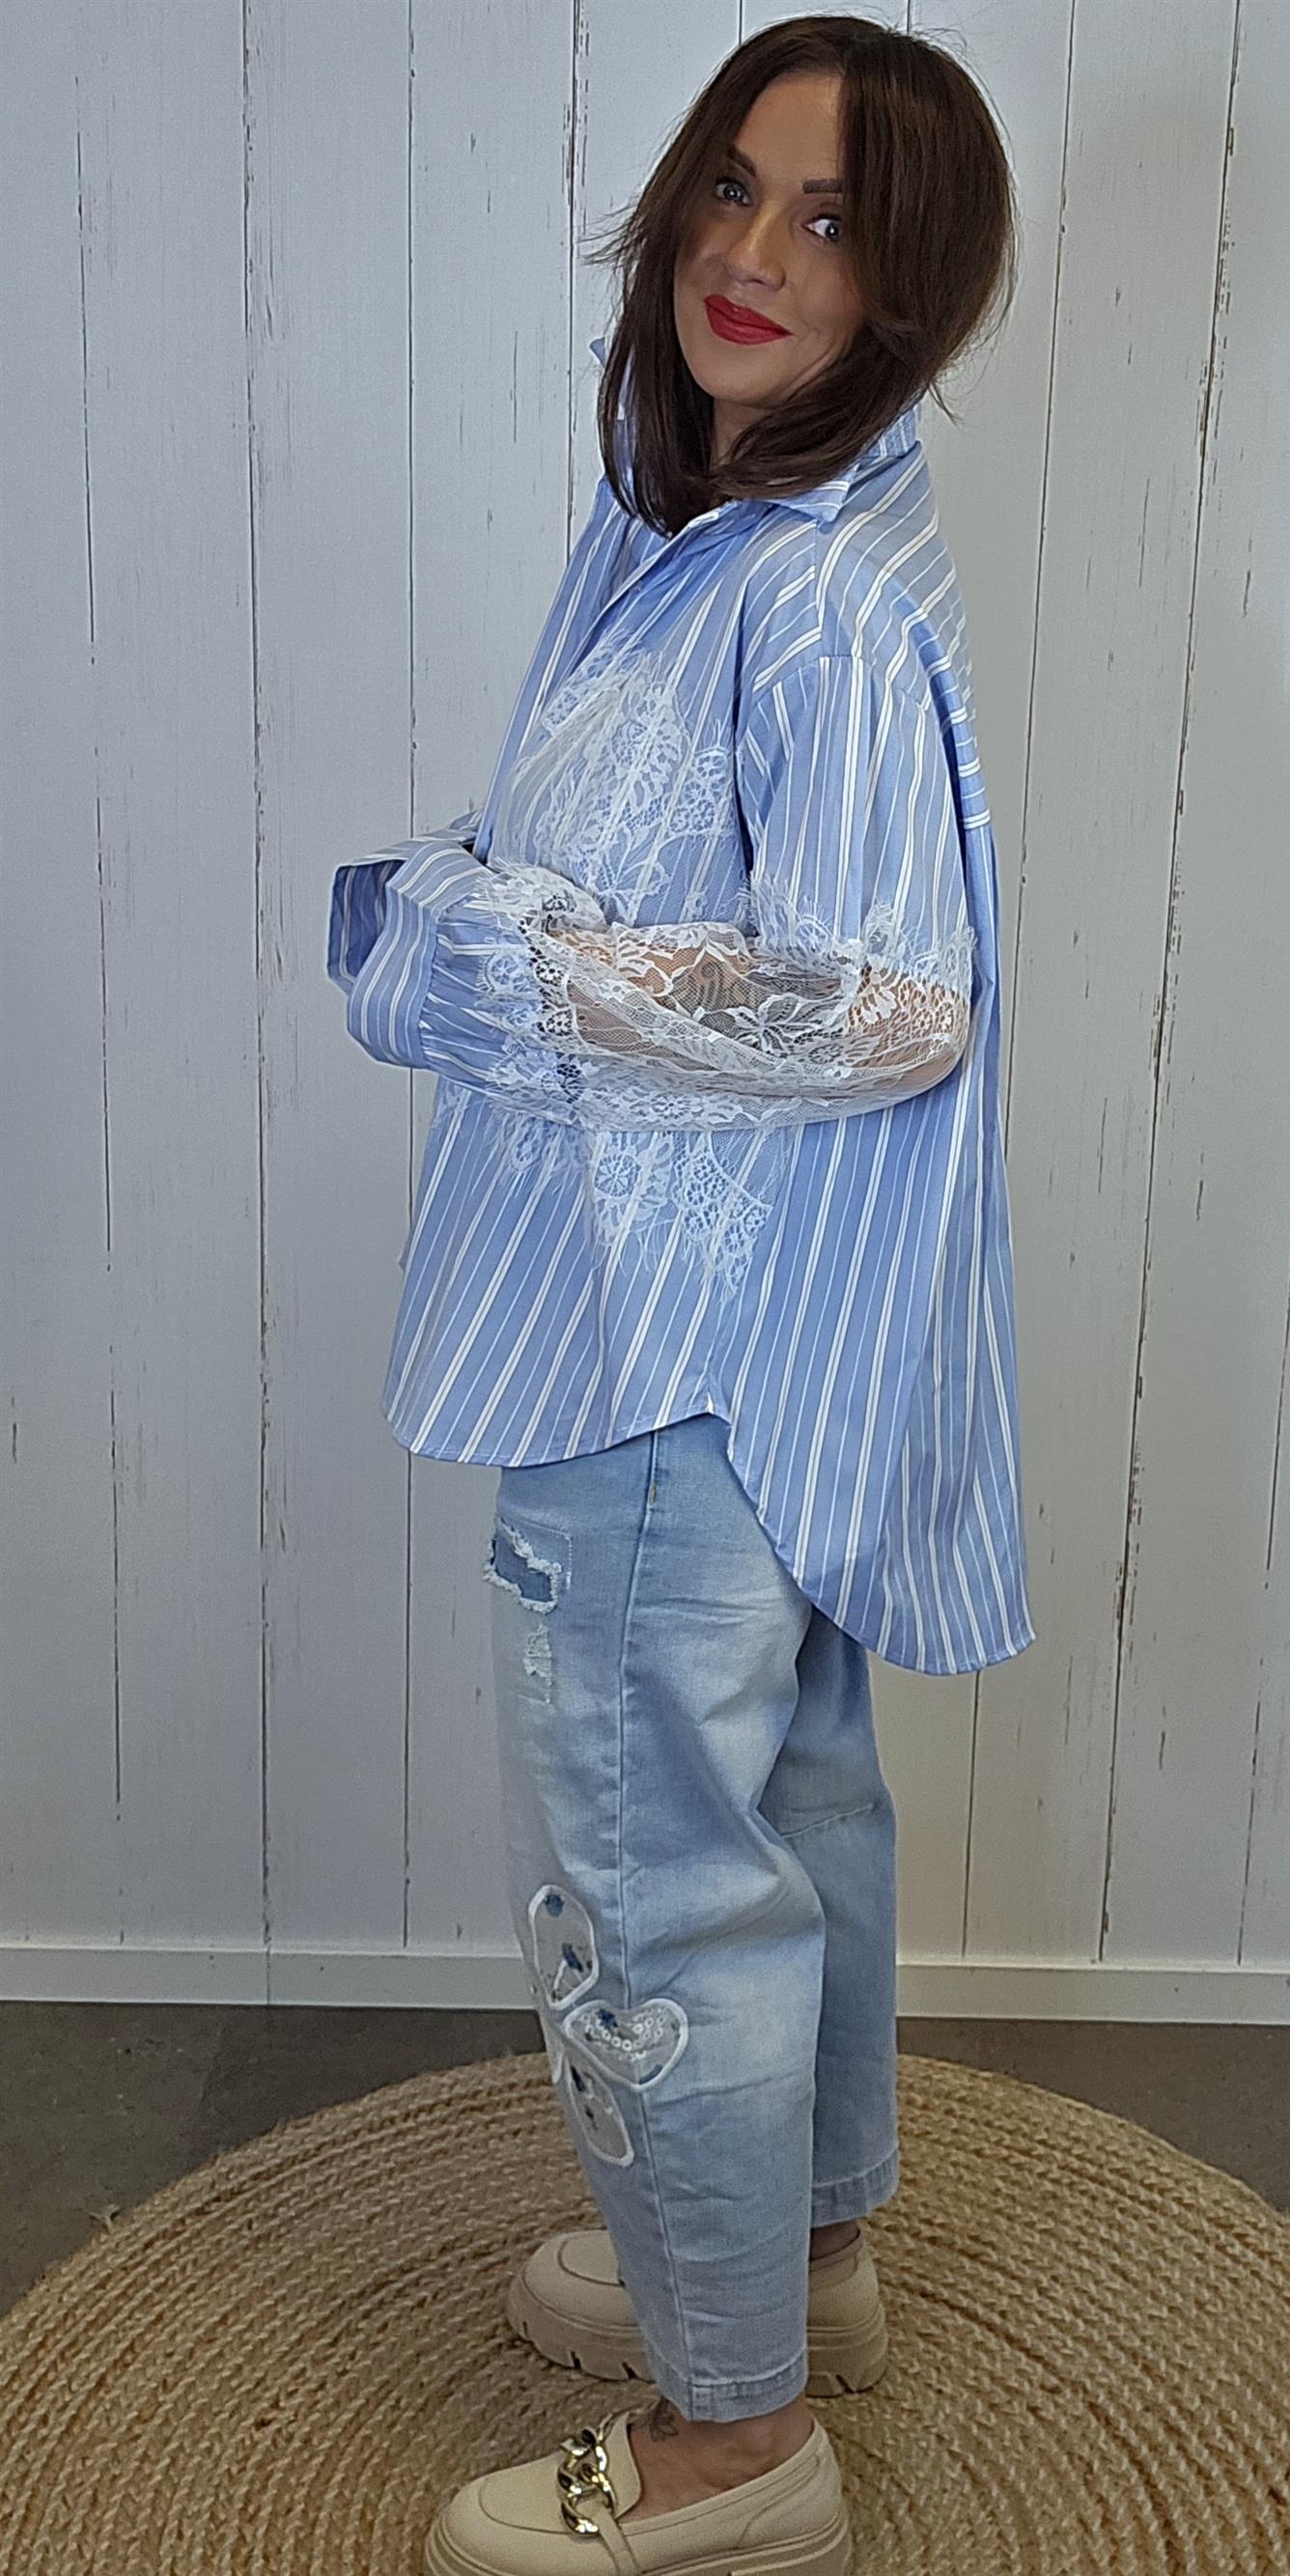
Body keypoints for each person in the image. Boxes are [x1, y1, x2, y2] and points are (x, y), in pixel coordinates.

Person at [327, 16, 1033, 2572]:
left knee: (663, 1880)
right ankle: (800, 2265)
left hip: (669, 1339)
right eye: (731, 187)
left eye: (829, 218)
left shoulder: (805, 596)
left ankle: (735, 2442)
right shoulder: (719, 524)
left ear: (909, 279)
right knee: (789, 1808)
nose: (750, 253)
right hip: (758, 1342)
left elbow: (889, 1005)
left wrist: (503, 950)